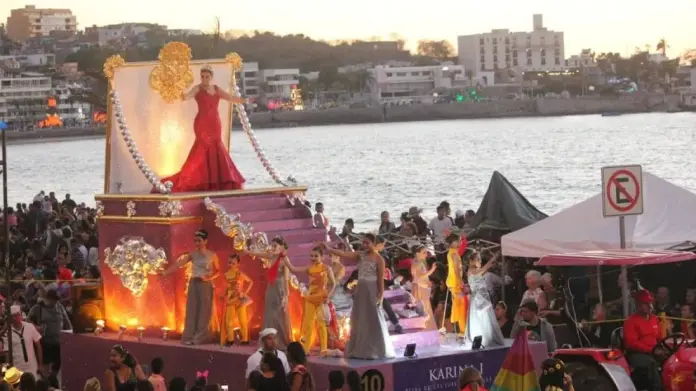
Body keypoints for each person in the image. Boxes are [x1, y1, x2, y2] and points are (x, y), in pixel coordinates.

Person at [159, 65, 246, 192]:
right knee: (201, 149)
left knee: (217, 147)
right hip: (202, 124)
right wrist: (181, 94)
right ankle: (193, 180)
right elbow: (187, 96)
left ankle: (218, 181)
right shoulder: (197, 89)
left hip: (215, 123)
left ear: (211, 77)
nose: (204, 79)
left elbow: (230, 98)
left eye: (207, 77)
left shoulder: (216, 89)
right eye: (202, 76)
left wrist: (244, 100)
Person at [321, 234, 395, 359]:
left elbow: (380, 280)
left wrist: (380, 295)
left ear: (374, 243)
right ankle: (360, 348)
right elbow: (344, 254)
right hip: (361, 290)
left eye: (368, 243)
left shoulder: (379, 259)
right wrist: (329, 249)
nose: (365, 245)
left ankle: (376, 349)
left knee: (373, 317)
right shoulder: (360, 255)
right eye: (363, 243)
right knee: (360, 317)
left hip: (372, 290)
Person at [162, 230, 220, 345]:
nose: (197, 243)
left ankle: (199, 338)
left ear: (205, 241)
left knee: (204, 311)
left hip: (206, 285)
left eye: (199, 241)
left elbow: (218, 271)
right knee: (192, 310)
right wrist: (166, 272)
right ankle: (189, 337)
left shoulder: (212, 255)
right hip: (194, 283)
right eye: (195, 241)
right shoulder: (192, 254)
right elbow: (179, 264)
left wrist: (208, 278)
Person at [242, 237, 292, 349]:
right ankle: (268, 342)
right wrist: (248, 252)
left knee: (278, 315)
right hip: (271, 288)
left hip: (279, 289)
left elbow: (286, 279)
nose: (273, 248)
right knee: (269, 314)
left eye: (275, 246)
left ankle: (280, 342)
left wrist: (286, 296)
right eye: (272, 245)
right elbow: (259, 254)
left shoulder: (284, 260)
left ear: (281, 247)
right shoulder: (271, 257)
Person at [284, 247, 336, 354]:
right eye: (311, 256)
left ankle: (324, 349)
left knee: (321, 324)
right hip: (310, 298)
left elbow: (333, 284)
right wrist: (285, 258)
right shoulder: (309, 268)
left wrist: (328, 297)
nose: (313, 258)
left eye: (316, 256)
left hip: (321, 298)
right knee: (309, 323)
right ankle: (306, 349)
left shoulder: (327, 268)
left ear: (322, 257)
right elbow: (293, 269)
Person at [623, 289, 661, 391]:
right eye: (645, 303)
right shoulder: (630, 321)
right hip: (637, 354)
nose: (648, 305)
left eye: (649, 303)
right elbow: (631, 343)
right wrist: (651, 350)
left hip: (655, 351)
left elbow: (659, 337)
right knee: (650, 363)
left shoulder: (654, 319)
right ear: (638, 305)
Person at [27, 288, 72, 375]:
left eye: (56, 299)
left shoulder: (59, 307)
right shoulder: (38, 307)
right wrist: (36, 327)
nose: (55, 302)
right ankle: (46, 383)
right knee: (45, 367)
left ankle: (53, 381)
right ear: (48, 299)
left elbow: (67, 323)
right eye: (53, 299)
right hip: (45, 343)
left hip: (59, 342)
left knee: (57, 366)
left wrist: (70, 335)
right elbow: (28, 321)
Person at [465, 250, 504, 347]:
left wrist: (491, 263)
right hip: (478, 298)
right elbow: (483, 270)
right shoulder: (471, 270)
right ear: (472, 261)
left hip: (481, 297)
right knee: (481, 319)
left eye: (480, 260)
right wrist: (492, 259)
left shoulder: (475, 270)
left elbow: (483, 270)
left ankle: (485, 338)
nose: (480, 261)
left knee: (485, 319)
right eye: (478, 259)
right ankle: (482, 339)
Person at [1, 305, 43, 377]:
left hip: (32, 365)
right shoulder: (8, 332)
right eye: (13, 316)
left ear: (20, 315)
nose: (16, 318)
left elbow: (38, 346)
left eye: (18, 315)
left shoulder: (30, 327)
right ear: (10, 318)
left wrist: (40, 364)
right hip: (17, 366)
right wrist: (9, 368)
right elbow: (7, 353)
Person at [222, 254, 253, 346]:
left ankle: (245, 339)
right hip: (231, 299)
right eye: (229, 262)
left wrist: (245, 293)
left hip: (240, 299)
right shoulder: (226, 275)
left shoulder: (240, 274)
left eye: (233, 263)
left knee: (242, 320)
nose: (230, 264)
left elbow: (251, 282)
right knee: (229, 321)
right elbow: (228, 287)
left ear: (238, 264)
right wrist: (224, 294)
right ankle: (230, 339)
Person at [445, 233, 468, 334]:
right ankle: (462, 331)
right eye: (458, 240)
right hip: (455, 283)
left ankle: (462, 330)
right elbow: (456, 270)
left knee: (459, 306)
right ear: (453, 242)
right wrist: (460, 281)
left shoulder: (452, 252)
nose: (460, 242)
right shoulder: (454, 254)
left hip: (453, 282)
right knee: (461, 307)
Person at [410, 245, 437, 329]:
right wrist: (432, 270)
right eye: (424, 252)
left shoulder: (418, 262)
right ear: (417, 253)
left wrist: (427, 282)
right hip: (419, 289)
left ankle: (426, 328)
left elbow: (421, 276)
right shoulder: (416, 263)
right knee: (424, 309)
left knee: (425, 309)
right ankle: (425, 329)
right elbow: (419, 276)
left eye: (426, 252)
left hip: (422, 287)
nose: (426, 254)